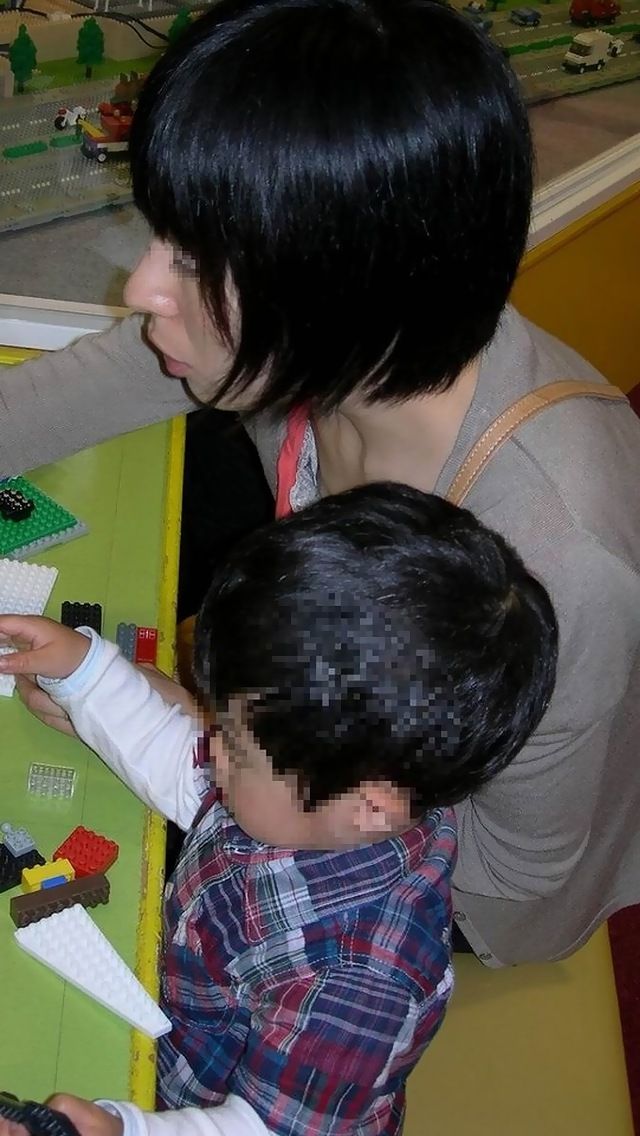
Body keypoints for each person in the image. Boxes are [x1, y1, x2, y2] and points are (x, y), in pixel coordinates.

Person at [1, 0, 639, 968]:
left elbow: (516, 872)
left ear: (334, 281)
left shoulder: (559, 557)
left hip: (424, 871)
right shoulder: (338, 335)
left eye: (196, 258)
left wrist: (223, 738)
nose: (140, 288)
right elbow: (94, 382)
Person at [0, 484, 557, 1136]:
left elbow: (268, 1128)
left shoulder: (362, 979)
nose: (210, 746)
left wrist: (126, 1129)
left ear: (369, 804)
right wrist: (89, 672)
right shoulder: (325, 792)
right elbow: (187, 773)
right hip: (181, 1012)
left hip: (202, 1102)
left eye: (235, 745)